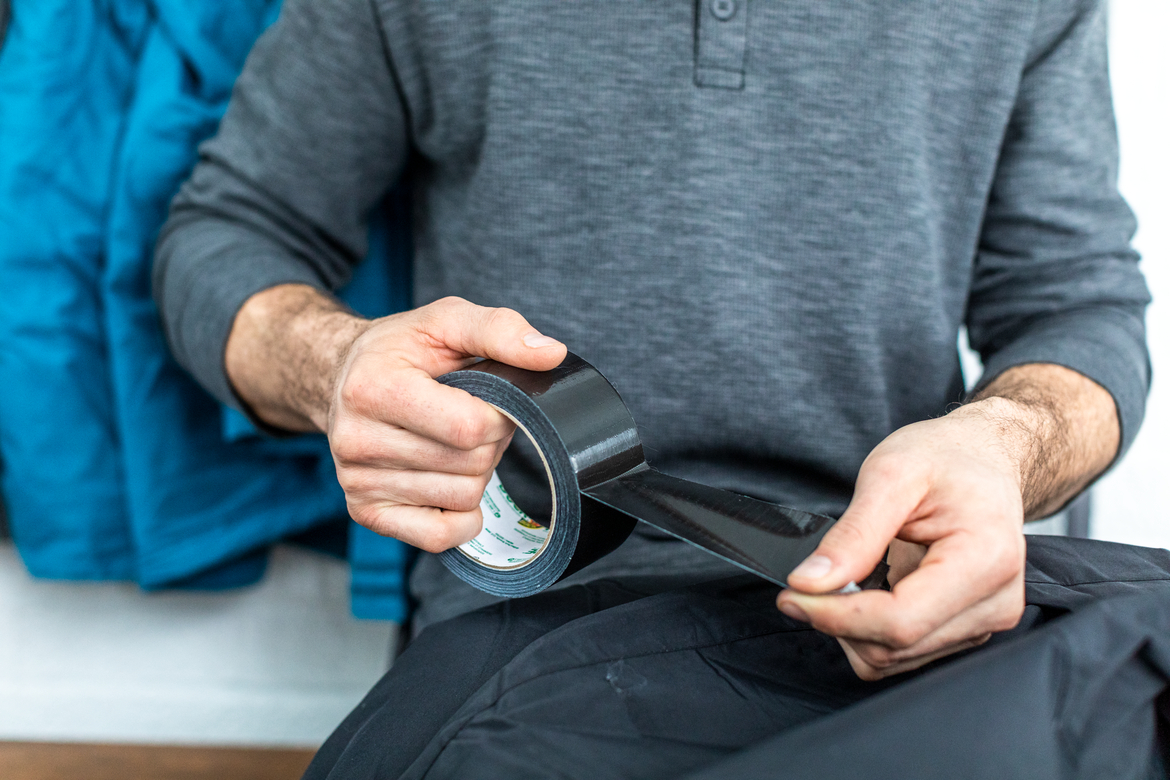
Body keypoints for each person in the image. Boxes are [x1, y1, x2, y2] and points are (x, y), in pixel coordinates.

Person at [153, 0, 1150, 774]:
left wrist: (1004, 445)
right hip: (535, 641)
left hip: (903, 618)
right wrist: (334, 366)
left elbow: (1077, 303)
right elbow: (226, 232)